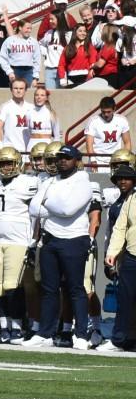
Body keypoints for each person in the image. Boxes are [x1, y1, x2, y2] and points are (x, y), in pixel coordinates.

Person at [24, 144, 99, 348]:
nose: (62, 161)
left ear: (77, 161)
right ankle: (45, 333)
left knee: (75, 289)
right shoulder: (49, 181)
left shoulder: (83, 182)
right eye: (59, 158)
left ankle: (81, 335)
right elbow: (33, 208)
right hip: (51, 239)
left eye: (67, 158)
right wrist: (50, 203)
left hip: (75, 239)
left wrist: (46, 202)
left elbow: (67, 209)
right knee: (49, 289)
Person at [0, 145, 40, 343]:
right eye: (3, 163)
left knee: (12, 286)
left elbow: (36, 214)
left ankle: (17, 327)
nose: (7, 167)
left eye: (10, 163)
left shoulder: (28, 182)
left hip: (18, 240)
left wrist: (33, 240)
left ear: (18, 163)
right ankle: (4, 327)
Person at [97, 153, 136, 354]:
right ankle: (120, 339)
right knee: (126, 298)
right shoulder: (131, 199)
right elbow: (120, 228)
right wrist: (111, 253)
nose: (122, 181)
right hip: (131, 255)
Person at [81, 95, 130, 164]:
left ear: (114, 109)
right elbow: (89, 144)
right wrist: (92, 160)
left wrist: (124, 158)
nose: (106, 114)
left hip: (116, 160)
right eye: (103, 112)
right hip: (98, 161)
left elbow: (127, 142)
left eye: (108, 112)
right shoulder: (93, 121)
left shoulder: (122, 120)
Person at [0, 79, 35, 149]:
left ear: (25, 90)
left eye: (21, 88)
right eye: (15, 88)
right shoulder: (5, 107)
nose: (18, 91)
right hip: (10, 150)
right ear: (11, 90)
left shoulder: (31, 107)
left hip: (28, 150)